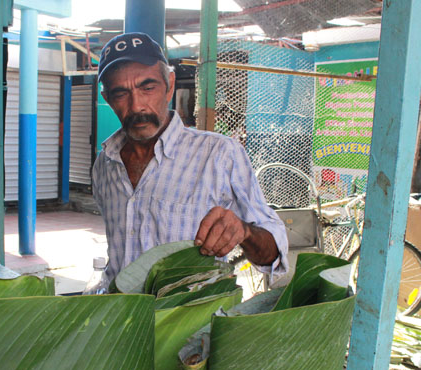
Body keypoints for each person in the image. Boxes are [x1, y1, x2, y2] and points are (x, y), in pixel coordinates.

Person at [92, 32, 288, 282]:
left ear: (170, 85)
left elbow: (275, 255)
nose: (137, 106)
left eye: (148, 88)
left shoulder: (219, 155)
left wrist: (245, 232)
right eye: (121, 93)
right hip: (122, 317)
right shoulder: (105, 164)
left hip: (189, 319)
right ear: (107, 98)